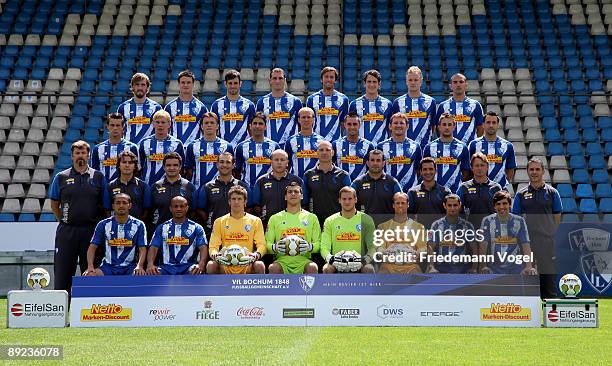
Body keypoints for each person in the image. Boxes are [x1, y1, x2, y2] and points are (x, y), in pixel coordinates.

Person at [48, 140, 110, 292]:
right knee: (63, 272)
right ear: (72, 156)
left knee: (90, 271)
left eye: (83, 153)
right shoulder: (61, 177)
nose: (80, 156)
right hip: (67, 231)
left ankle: (90, 310)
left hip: (91, 232)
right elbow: (55, 203)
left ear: (88, 155)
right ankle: (62, 311)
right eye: (77, 153)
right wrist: (63, 220)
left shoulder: (98, 177)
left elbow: (106, 207)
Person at [511, 158, 562, 298]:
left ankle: (550, 313)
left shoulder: (552, 193)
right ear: (527, 171)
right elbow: (516, 219)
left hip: (546, 241)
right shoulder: (520, 194)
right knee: (527, 276)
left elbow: (557, 217)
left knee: (548, 277)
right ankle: (527, 314)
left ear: (543, 171)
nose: (534, 172)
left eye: (537, 169)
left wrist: (549, 232)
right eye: (531, 169)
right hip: (526, 243)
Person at [207, 186, 266, 274]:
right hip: (226, 264)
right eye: (233, 199)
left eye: (239, 199)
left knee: (259, 265)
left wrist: (256, 255)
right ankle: (216, 288)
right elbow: (213, 246)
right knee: (211, 265)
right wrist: (215, 254)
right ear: (229, 202)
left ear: (245, 202)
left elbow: (262, 245)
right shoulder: (219, 221)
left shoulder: (255, 221)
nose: (236, 202)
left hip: (246, 263)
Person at [83, 194, 147, 276]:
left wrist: (140, 266)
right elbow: (92, 247)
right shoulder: (103, 224)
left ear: (130, 206)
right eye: (118, 203)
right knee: (89, 275)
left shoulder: (139, 224)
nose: (121, 205)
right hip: (108, 267)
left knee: (140, 275)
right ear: (113, 206)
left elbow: (142, 248)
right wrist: (90, 266)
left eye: (124, 203)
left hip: (130, 267)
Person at [266, 182, 320, 274]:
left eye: (296, 191)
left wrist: (309, 247)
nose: (293, 194)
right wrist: (275, 247)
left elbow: (319, 244)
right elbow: (267, 244)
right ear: (285, 197)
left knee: (312, 267)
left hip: (304, 260)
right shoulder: (274, 218)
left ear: (302, 196)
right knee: (273, 268)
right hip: (282, 261)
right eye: (290, 192)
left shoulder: (312, 217)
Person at [147, 196, 208, 275]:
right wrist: (150, 264)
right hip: (165, 268)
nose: (179, 209)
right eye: (175, 206)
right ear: (170, 208)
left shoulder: (196, 227)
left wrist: (201, 264)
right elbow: (154, 248)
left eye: (182, 206)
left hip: (188, 267)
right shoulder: (162, 227)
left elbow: (203, 247)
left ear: (187, 208)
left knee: (196, 271)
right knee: (153, 272)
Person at [321, 187, 376, 273]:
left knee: (369, 268)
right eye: (344, 199)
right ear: (339, 200)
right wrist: (332, 260)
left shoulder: (366, 219)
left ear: (356, 199)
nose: (347, 202)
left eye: (350, 198)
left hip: (359, 262)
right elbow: (324, 247)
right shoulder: (330, 221)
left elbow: (373, 247)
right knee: (327, 268)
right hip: (338, 262)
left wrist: (364, 261)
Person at [480, 191, 536, 275]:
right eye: (498, 204)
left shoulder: (519, 220)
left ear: (510, 204)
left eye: (504, 203)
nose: (501, 206)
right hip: (494, 267)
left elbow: (525, 244)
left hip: (516, 267)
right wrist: (483, 266)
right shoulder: (487, 220)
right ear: (494, 206)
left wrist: (529, 266)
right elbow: (483, 245)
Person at [195, 152, 251, 235]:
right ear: (217, 164)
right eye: (221, 162)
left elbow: (249, 208)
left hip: (239, 233)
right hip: (214, 232)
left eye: (228, 162)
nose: (224, 165)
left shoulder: (243, 186)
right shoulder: (207, 187)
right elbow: (201, 210)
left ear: (233, 165)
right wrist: (210, 223)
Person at [302, 140, 352, 228]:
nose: (324, 152)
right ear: (316, 153)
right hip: (315, 223)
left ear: (332, 153)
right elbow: (304, 203)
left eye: (327, 150)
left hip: (338, 222)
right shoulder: (308, 175)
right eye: (321, 150)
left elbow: (349, 201)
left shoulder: (343, 175)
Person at [375, 192, 427, 274]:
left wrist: (418, 254)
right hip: (389, 265)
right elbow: (380, 248)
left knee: (417, 275)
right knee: (382, 273)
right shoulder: (382, 226)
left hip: (410, 265)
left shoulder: (419, 227)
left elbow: (422, 248)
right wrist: (382, 254)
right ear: (393, 205)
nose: (400, 205)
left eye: (403, 203)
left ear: (408, 205)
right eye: (397, 203)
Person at [427, 194, 477, 274]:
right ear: (444, 206)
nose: (452, 208)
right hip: (441, 269)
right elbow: (430, 247)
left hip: (462, 269)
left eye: (455, 205)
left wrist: (474, 268)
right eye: (449, 205)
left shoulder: (467, 226)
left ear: (460, 205)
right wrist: (431, 267)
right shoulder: (436, 225)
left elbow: (474, 248)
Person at [252, 149, 303, 227]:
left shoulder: (297, 181)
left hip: (293, 225)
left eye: (282, 160)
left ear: (287, 162)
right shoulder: (261, 181)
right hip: (268, 225)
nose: (279, 162)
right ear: (271, 162)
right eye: (276, 160)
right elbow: (255, 206)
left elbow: (304, 203)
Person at [351, 150, 402, 225]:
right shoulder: (357, 183)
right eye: (372, 160)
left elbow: (401, 206)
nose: (375, 163)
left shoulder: (393, 182)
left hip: (387, 229)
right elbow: (348, 205)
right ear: (367, 163)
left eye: (378, 160)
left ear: (383, 163)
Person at [391, 66, 437, 149]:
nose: (413, 83)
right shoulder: (398, 102)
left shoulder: (431, 101)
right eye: (410, 80)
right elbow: (393, 126)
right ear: (406, 81)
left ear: (421, 81)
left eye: (416, 80)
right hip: (403, 148)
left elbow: (433, 125)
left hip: (425, 147)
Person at [468, 111, 516, 189]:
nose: (491, 125)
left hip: (500, 190)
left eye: (494, 123)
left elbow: (510, 169)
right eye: (488, 122)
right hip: (479, 189)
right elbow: (469, 168)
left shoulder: (507, 146)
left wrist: (503, 183)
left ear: (497, 125)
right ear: (483, 125)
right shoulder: (474, 144)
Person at [423, 113, 470, 193]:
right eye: (444, 124)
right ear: (439, 127)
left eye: (449, 124)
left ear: (454, 127)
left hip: (455, 193)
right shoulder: (429, 147)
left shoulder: (462, 147)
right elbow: (424, 171)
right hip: (434, 192)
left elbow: (466, 173)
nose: (447, 127)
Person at [184, 111, 233, 188]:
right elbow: (189, 171)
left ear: (217, 126)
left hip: (221, 190)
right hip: (198, 189)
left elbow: (231, 169)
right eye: (206, 123)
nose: (209, 125)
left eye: (212, 123)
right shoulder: (192, 146)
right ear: (202, 126)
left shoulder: (227, 146)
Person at [149, 152, 197, 229]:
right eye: (168, 165)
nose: (171, 168)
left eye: (175, 165)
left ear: (180, 167)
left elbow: (194, 211)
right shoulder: (156, 186)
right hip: (160, 230)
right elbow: (150, 211)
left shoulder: (189, 186)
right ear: (164, 167)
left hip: (184, 232)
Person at [255, 68, 302, 145]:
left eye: (280, 78)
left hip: (290, 146)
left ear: (285, 80)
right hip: (268, 146)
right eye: (274, 78)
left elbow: (301, 125)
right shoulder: (262, 102)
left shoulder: (295, 101)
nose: (277, 81)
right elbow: (258, 125)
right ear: (270, 81)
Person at [234, 112, 281, 189]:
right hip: (247, 188)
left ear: (265, 126)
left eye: (260, 124)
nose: (257, 126)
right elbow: (237, 171)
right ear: (250, 126)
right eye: (255, 123)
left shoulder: (274, 146)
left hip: (270, 188)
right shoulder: (241, 147)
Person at [138, 109, 185, 186]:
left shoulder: (177, 144)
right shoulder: (144, 143)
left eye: (163, 122)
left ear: (169, 124)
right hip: (148, 185)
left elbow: (181, 168)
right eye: (157, 122)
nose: (160, 125)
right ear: (153, 124)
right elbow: (141, 166)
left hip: (170, 186)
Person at [434, 73, 484, 145]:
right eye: (455, 82)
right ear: (450, 86)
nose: (458, 84)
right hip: (448, 147)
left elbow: (480, 128)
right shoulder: (443, 106)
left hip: (469, 148)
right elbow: (438, 128)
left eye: (461, 82)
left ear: (466, 85)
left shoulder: (475, 105)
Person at [377, 112, 422, 190]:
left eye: (401, 123)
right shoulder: (381, 146)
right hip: (387, 189)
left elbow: (419, 170)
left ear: (407, 126)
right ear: (390, 126)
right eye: (395, 123)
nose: (398, 125)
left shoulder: (415, 146)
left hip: (410, 190)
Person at [457, 153, 502, 230]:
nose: (479, 168)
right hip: (470, 231)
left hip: (492, 230)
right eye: (477, 165)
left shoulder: (496, 188)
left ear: (487, 167)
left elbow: (502, 210)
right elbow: (457, 210)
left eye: (482, 165)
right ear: (472, 168)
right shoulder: (463, 187)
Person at [211, 69, 256, 147]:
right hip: (222, 148)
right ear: (225, 84)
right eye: (230, 83)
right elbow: (213, 127)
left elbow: (252, 128)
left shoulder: (249, 105)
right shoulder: (216, 105)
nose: (233, 86)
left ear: (240, 84)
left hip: (243, 148)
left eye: (235, 83)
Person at [348, 69, 393, 145]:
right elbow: (350, 126)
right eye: (369, 81)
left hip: (381, 148)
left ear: (379, 84)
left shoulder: (388, 104)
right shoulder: (354, 104)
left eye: (374, 82)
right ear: (364, 84)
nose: (371, 84)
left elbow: (391, 128)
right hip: (361, 147)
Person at [90, 113, 139, 181]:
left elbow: (137, 171)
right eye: (112, 125)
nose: (115, 128)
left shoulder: (132, 148)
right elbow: (94, 172)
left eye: (118, 125)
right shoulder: (97, 149)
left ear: (123, 127)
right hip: (104, 188)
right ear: (107, 126)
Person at [117, 72, 162, 144]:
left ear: (147, 87)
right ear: (132, 87)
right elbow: (118, 129)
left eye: (143, 85)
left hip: (148, 149)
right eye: (137, 85)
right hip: (129, 149)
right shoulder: (123, 107)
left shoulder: (156, 108)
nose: (140, 88)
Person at [164, 70, 208, 144]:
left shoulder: (201, 108)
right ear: (178, 84)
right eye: (183, 82)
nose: (185, 85)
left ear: (193, 84)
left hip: (194, 149)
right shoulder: (169, 107)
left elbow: (205, 130)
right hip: (174, 148)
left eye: (188, 82)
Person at [406, 157, 451, 229]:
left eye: (431, 169)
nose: (428, 172)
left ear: (436, 171)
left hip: (440, 234)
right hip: (419, 234)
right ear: (420, 172)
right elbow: (408, 216)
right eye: (425, 169)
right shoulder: (412, 192)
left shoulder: (445, 192)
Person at [307, 66, 349, 142]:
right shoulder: (312, 99)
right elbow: (309, 121)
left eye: (331, 77)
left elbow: (343, 122)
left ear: (335, 80)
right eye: (326, 77)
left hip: (336, 142)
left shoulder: (343, 99)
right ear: (321, 79)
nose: (329, 79)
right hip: (316, 141)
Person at [107, 151, 151, 221]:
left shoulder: (143, 186)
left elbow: (147, 210)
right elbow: (107, 210)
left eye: (130, 163)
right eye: (124, 162)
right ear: (119, 165)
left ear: (135, 166)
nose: (127, 165)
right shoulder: (110, 186)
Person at [332, 112, 375, 181]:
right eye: (349, 124)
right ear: (345, 125)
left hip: (361, 186)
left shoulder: (369, 146)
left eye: (355, 124)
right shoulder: (336, 145)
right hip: (341, 185)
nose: (352, 127)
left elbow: (371, 168)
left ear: (359, 125)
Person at [284, 107, 324, 180]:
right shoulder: (290, 141)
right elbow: (287, 164)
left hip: (316, 182)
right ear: (299, 120)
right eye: (303, 117)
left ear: (313, 120)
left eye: (309, 117)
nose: (306, 120)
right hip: (296, 182)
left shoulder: (321, 141)